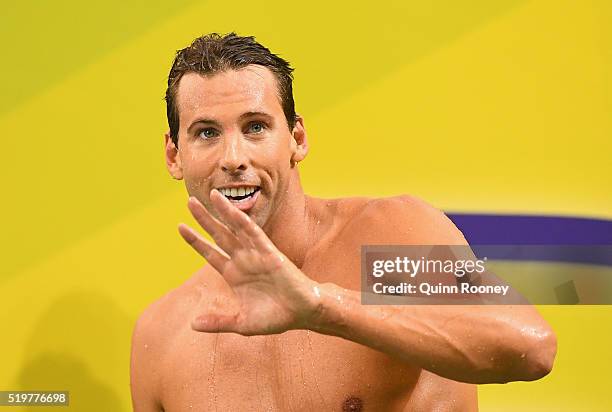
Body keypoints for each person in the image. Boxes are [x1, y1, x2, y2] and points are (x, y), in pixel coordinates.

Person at [130, 33, 556, 411]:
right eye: (206, 132)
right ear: (174, 155)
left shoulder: (388, 238)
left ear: (297, 139)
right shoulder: (163, 336)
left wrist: (320, 305)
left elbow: (530, 347)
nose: (234, 158)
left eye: (256, 127)